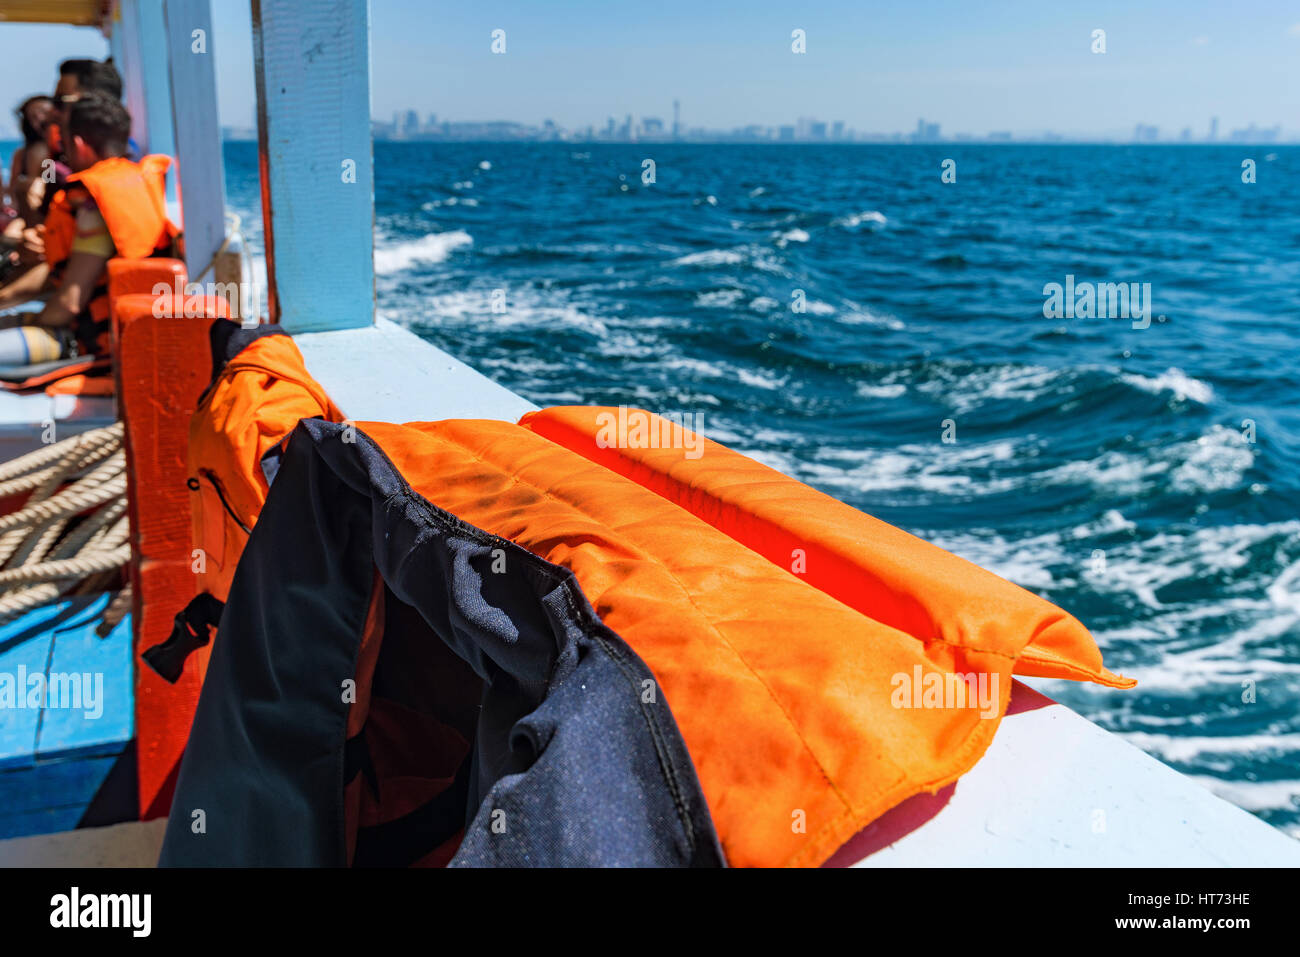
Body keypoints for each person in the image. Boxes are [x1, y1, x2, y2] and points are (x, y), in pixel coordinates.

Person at [0, 92, 176, 366]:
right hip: (130, 332)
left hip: (85, 342)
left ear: (79, 144)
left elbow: (70, 302)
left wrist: (38, 319)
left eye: (66, 144)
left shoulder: (93, 204)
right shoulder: (131, 182)